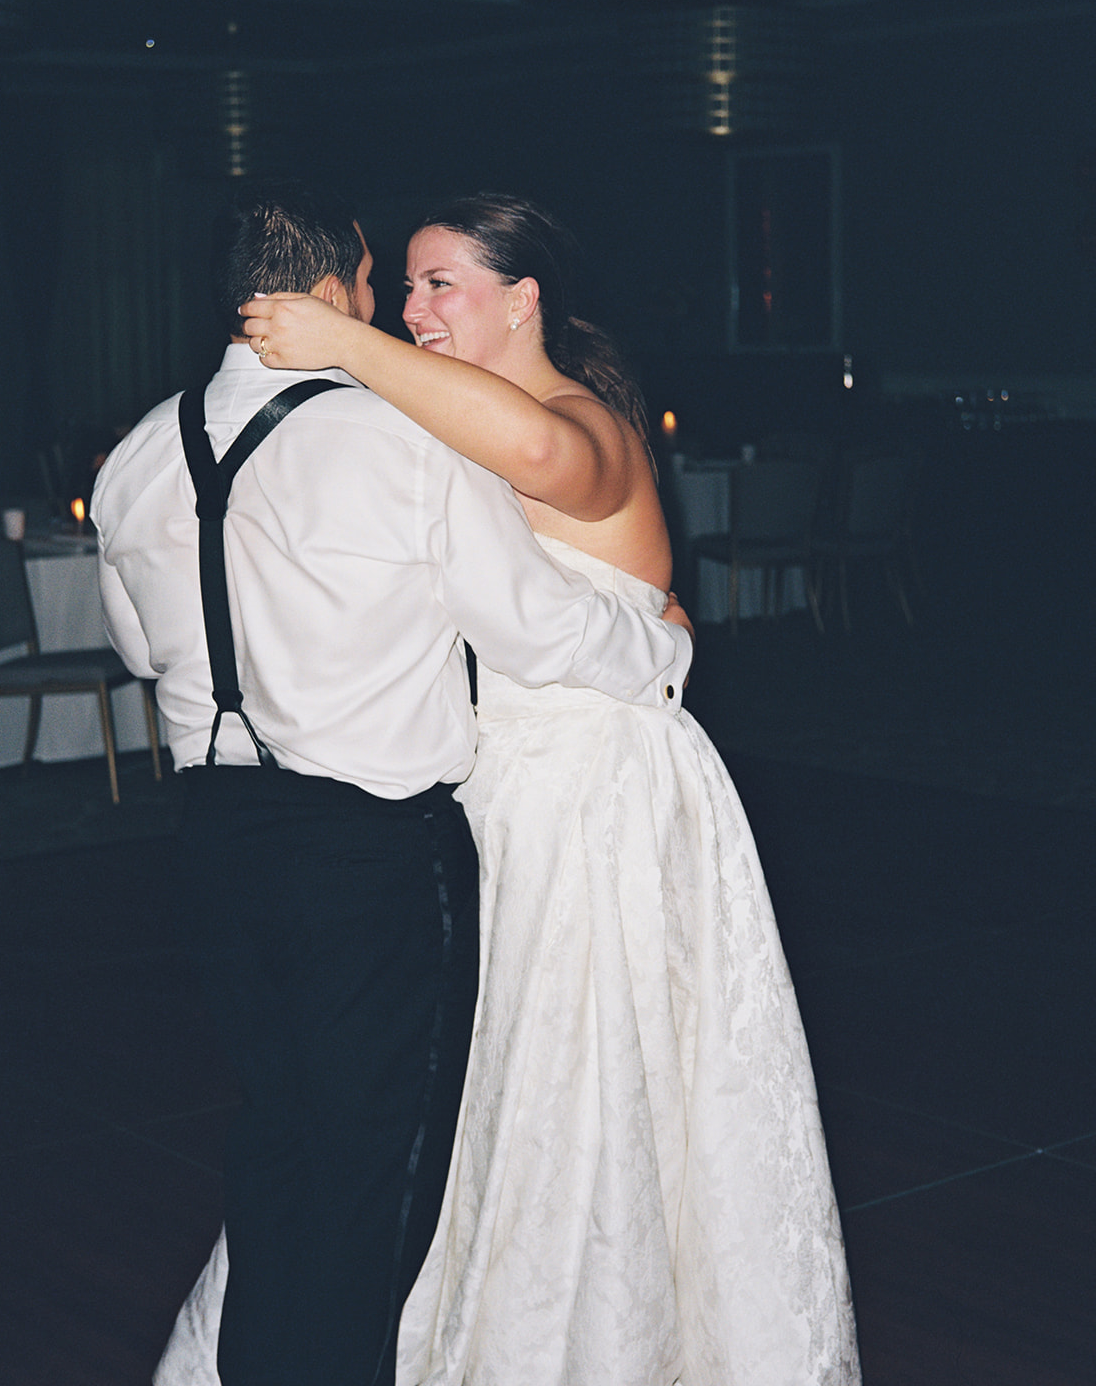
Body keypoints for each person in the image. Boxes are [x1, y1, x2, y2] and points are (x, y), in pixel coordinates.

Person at [158, 193, 860, 1386]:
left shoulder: (580, 418)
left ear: (523, 300)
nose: (417, 308)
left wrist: (347, 341)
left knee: (571, 1084)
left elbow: (543, 461)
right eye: (409, 285)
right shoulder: (444, 427)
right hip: (486, 788)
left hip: (592, 793)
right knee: (447, 1078)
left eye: (443, 285)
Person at [92, 183, 691, 1386]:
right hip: (366, 857)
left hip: (212, 840)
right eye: (379, 282)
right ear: (337, 284)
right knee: (380, 1184)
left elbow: (142, 650)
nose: (390, 307)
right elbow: (532, 628)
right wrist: (662, 645)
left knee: (277, 1144)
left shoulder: (136, 454)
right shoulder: (396, 437)